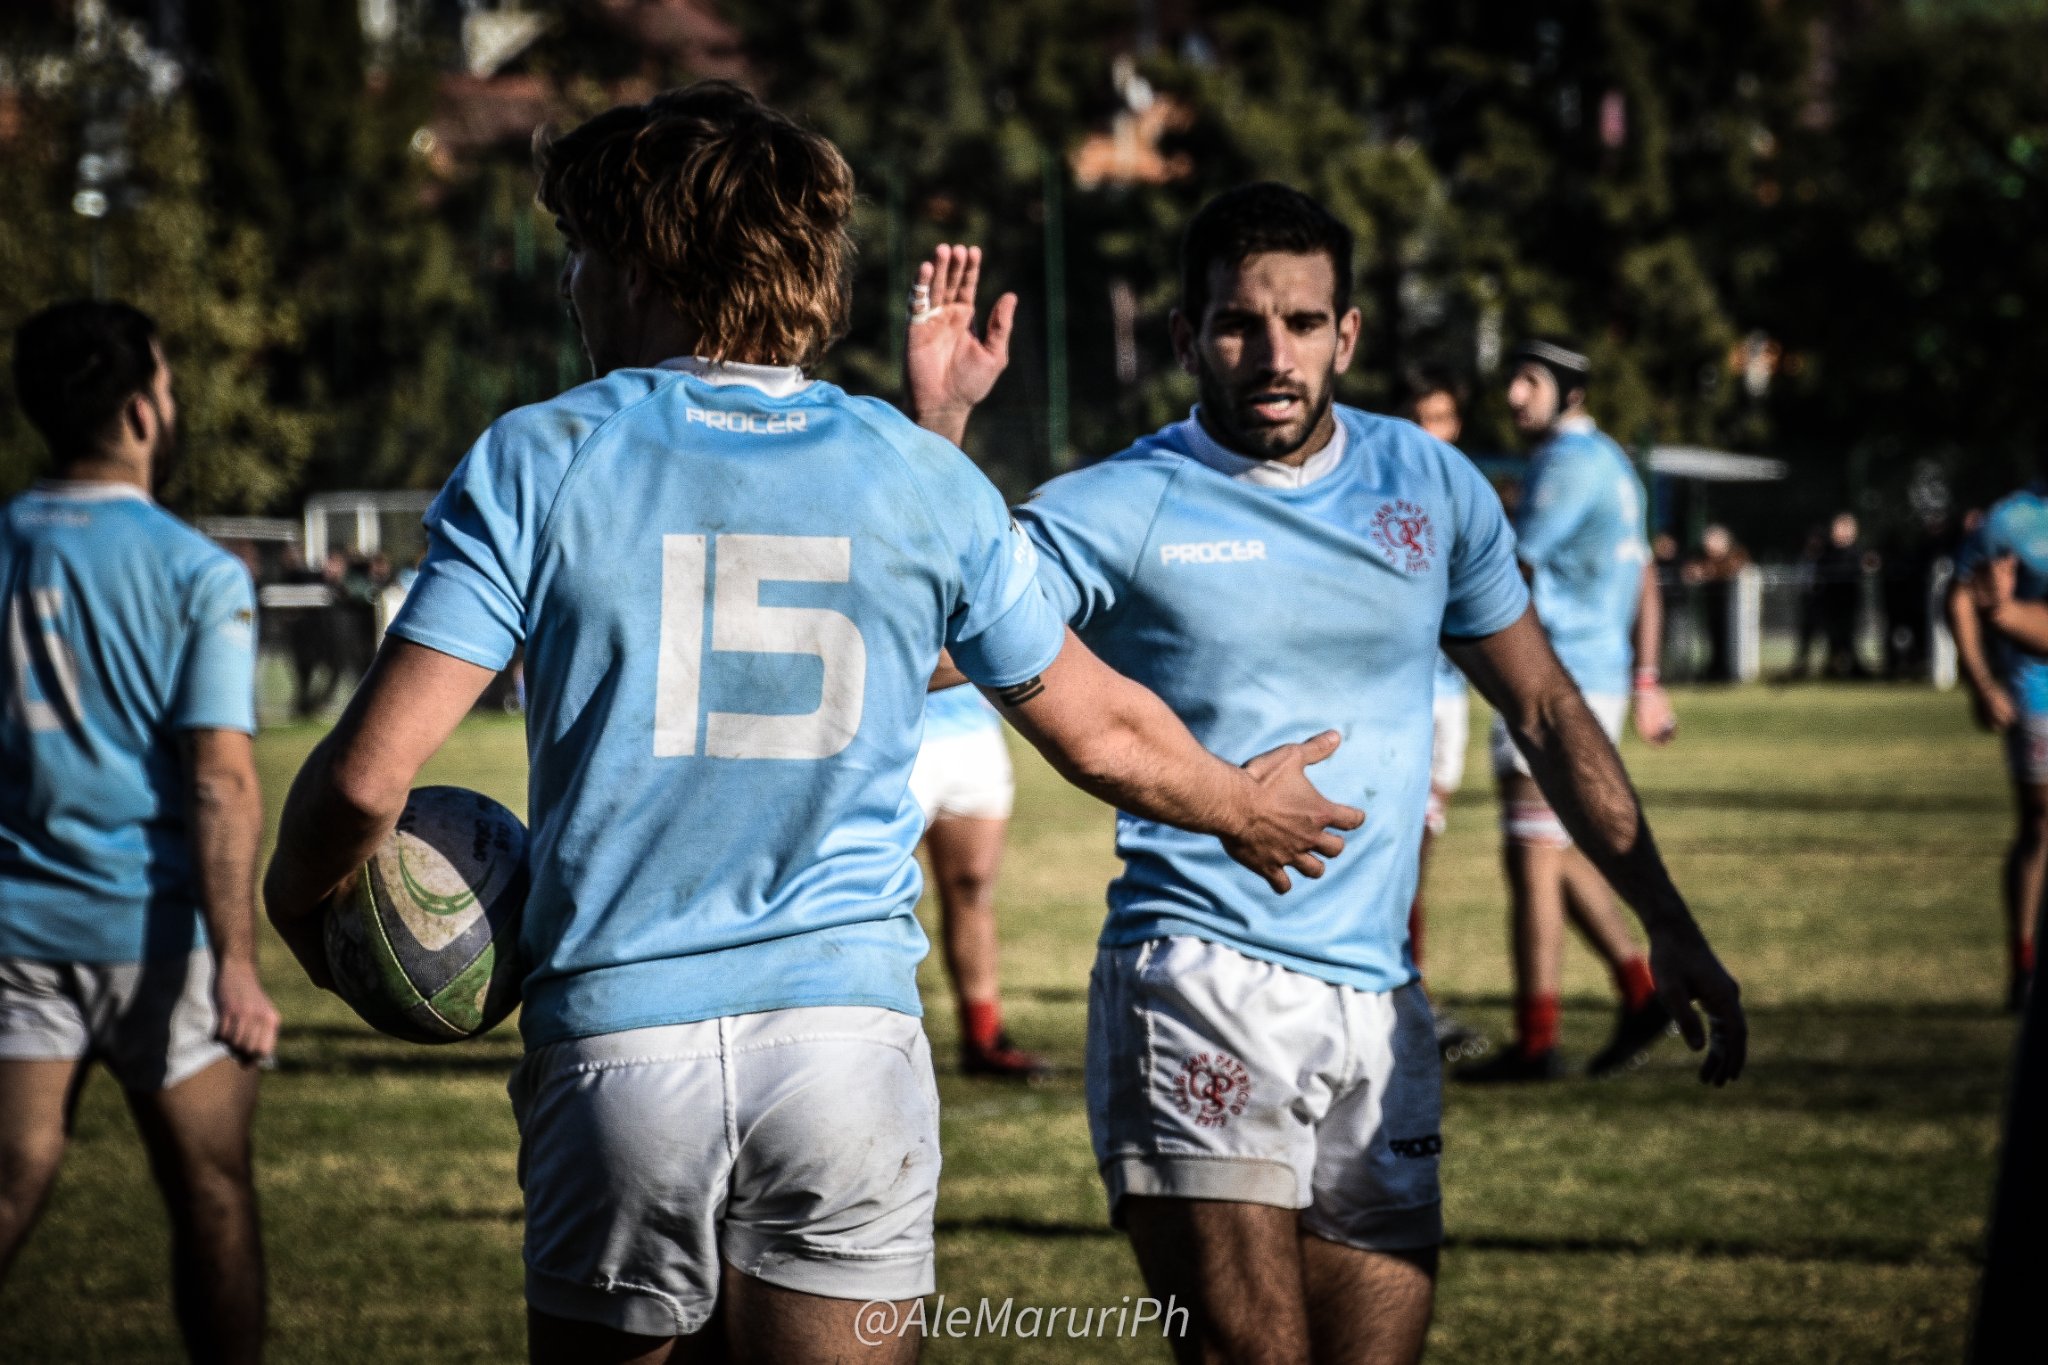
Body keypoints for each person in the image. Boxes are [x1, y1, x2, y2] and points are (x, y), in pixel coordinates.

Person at [261, 85, 1359, 1364]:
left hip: (623, 1047)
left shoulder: (536, 457)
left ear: (649, 264)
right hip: (845, 1052)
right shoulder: (915, 470)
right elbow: (1096, 724)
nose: (570, 284)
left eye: (584, 250)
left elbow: (364, 782)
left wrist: (305, 916)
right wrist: (1238, 802)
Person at [907, 188, 1745, 1365]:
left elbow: (1548, 711)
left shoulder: (1429, 485)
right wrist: (937, 436)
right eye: (1240, 325)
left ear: (1346, 333)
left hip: (1380, 1009)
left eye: (1303, 323)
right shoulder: (1123, 502)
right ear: (1189, 335)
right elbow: (929, 642)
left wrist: (1665, 920)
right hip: (1193, 977)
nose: (1273, 354)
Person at [0, 301, 280, 1363]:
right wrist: (241, 971)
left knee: (12, 1181)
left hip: (16, 930)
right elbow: (221, 784)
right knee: (211, 1195)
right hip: (157, 938)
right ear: (140, 410)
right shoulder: (196, 572)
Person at [1458, 338, 1682, 1084]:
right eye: (1513, 382)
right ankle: (1640, 989)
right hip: (1597, 674)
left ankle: (1536, 1040)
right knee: (1555, 850)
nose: (1515, 397)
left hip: (1553, 680)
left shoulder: (1565, 465)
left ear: (1570, 392)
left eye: (1530, 382)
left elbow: (1504, 566)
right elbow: (1646, 575)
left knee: (1529, 857)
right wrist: (1645, 675)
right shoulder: (1615, 463)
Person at [1395, 366, 1485, 1062]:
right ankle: (1404, 997)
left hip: (1451, 700)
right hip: (1406, 700)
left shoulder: (1465, 493)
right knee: (1401, 855)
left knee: (1419, 853)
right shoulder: (1385, 492)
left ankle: (1407, 993)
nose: (1435, 431)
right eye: (1423, 416)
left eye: (1444, 417)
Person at [912, 683, 1050, 1079]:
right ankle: (872, 1039)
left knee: (972, 887)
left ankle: (984, 1038)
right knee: (876, 896)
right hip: (892, 733)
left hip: (972, 732)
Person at [1951, 500, 2048, 1009]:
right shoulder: (2012, 520)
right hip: (2037, 695)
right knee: (2039, 825)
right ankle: (2024, 964)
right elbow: (1964, 596)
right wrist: (1983, 681)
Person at [1681, 524, 1750, 683]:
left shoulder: (1735, 556)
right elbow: (1690, 571)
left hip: (1730, 611)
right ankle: (1715, 669)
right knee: (1713, 639)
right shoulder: (1703, 559)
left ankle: (1726, 672)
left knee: (1729, 641)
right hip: (1713, 609)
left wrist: (1708, 573)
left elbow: (1732, 569)